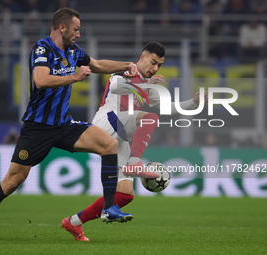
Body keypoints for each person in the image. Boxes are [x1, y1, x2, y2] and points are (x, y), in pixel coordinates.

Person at [0, 7, 139, 241]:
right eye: (76, 29)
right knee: (12, 181)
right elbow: (40, 80)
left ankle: (110, 208)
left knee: (109, 145)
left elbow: (97, 65)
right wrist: (75, 77)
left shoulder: (73, 51)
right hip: (38, 128)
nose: (78, 34)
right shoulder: (42, 48)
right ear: (62, 27)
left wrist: (127, 66)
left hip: (63, 124)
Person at [61, 41, 208, 241]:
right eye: (153, 62)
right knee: (149, 118)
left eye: (159, 65)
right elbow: (115, 86)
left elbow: (169, 107)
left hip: (121, 137)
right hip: (107, 122)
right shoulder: (127, 70)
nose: (155, 68)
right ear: (142, 57)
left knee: (125, 195)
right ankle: (135, 162)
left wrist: (194, 102)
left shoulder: (148, 85)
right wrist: (146, 85)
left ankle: (74, 222)